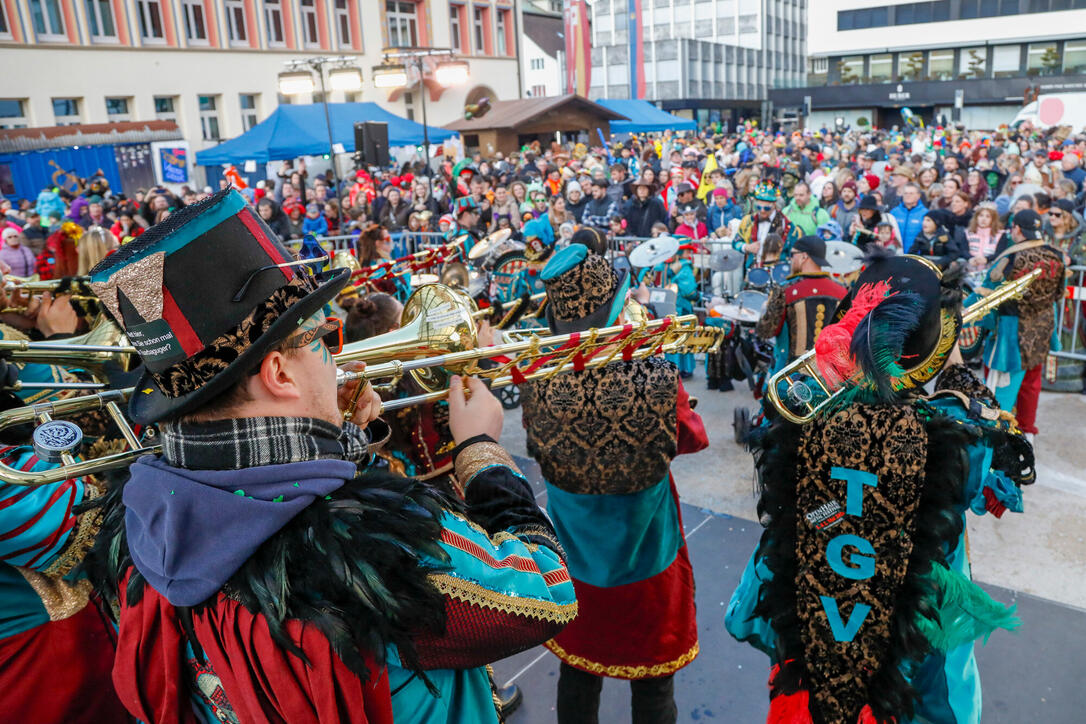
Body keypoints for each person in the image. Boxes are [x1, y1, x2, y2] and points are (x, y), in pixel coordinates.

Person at [80, 189, 577, 724]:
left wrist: (338, 441)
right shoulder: (378, 543)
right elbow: (548, 591)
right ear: (279, 375)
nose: (334, 356)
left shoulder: (136, 515)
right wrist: (483, 452)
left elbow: (261, 499)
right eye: (320, 339)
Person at [727, 252, 1028, 724]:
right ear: (931, 348)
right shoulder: (957, 436)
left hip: (809, 616)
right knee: (922, 687)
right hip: (907, 628)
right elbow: (983, 477)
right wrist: (955, 375)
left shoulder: (797, 414)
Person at [521, 244, 707, 724]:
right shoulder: (655, 373)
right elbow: (692, 438)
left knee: (578, 677)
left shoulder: (537, 376)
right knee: (654, 684)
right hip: (646, 554)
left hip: (574, 561)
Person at [977, 209, 1066, 439]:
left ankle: (999, 438)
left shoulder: (1009, 257)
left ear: (1016, 229)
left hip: (1011, 335)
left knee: (999, 389)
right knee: (1031, 384)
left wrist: (959, 314)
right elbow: (1056, 297)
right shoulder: (1056, 255)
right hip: (1041, 331)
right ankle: (1027, 435)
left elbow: (986, 296)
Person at [755, 236, 848, 375]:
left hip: (791, 376)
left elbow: (766, 331)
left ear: (804, 257)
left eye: (793, 255)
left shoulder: (785, 290)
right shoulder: (843, 292)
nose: (790, 259)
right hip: (831, 377)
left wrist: (764, 310)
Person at [735, 180, 798, 269]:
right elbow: (736, 242)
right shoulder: (748, 221)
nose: (762, 211)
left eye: (767, 208)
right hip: (754, 271)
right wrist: (746, 247)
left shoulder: (787, 225)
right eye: (759, 207)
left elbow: (794, 252)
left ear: (774, 205)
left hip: (778, 272)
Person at [890, 182, 928, 252]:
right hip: (896, 254)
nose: (908, 196)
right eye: (905, 193)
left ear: (918, 195)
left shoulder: (925, 213)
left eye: (911, 193)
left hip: (915, 256)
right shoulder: (894, 212)